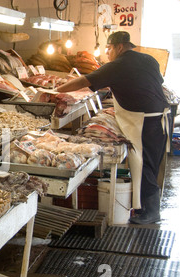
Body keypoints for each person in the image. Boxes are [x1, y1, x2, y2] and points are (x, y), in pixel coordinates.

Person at [56, 31, 171, 225]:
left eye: (108, 48)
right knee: (153, 164)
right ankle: (147, 208)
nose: (107, 53)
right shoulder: (148, 59)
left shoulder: (117, 65)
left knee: (144, 166)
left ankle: (151, 213)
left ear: (119, 47)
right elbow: (156, 82)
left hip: (145, 122)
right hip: (161, 118)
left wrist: (55, 90)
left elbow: (85, 82)